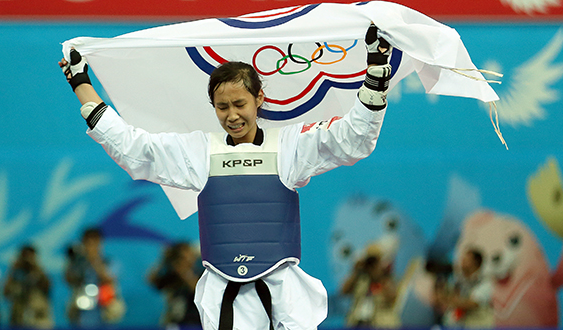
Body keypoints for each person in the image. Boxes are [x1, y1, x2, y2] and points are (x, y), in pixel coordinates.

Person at [58, 24, 392, 330]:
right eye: (221, 106)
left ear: (259, 99)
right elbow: (133, 148)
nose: (232, 115)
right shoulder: (201, 151)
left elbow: (353, 139)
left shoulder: (290, 146)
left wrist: (376, 72)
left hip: (286, 295)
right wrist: (80, 83)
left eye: (239, 103)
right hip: (223, 292)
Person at [64, 227, 125, 327]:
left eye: (94, 242)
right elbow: (68, 279)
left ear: (100, 242)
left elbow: (108, 279)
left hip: (105, 312)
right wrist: (72, 260)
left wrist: (94, 259)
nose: (90, 246)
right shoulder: (78, 263)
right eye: (87, 242)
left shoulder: (110, 261)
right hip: (82, 312)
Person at [148, 241, 203, 328]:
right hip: (175, 321)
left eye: (189, 255)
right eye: (182, 257)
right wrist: (163, 260)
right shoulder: (173, 276)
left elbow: (198, 290)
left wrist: (184, 272)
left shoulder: (202, 273)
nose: (187, 259)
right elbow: (152, 280)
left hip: (196, 322)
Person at [341, 245, 398, 327]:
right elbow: (344, 291)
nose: (371, 266)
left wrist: (380, 274)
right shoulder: (361, 279)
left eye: (374, 262)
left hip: (381, 324)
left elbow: (392, 298)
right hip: (358, 323)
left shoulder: (387, 280)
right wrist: (356, 271)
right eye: (369, 262)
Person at [435, 249, 493, 328]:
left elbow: (470, 303)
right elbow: (453, 295)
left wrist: (446, 298)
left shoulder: (485, 282)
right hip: (462, 323)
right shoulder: (461, 278)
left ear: (476, 263)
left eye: (465, 260)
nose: (461, 261)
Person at [4, 244, 53, 328]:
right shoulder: (16, 273)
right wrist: (13, 270)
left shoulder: (39, 271)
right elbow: (6, 292)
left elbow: (47, 286)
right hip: (19, 317)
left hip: (38, 316)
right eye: (24, 256)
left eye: (30, 256)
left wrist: (35, 267)